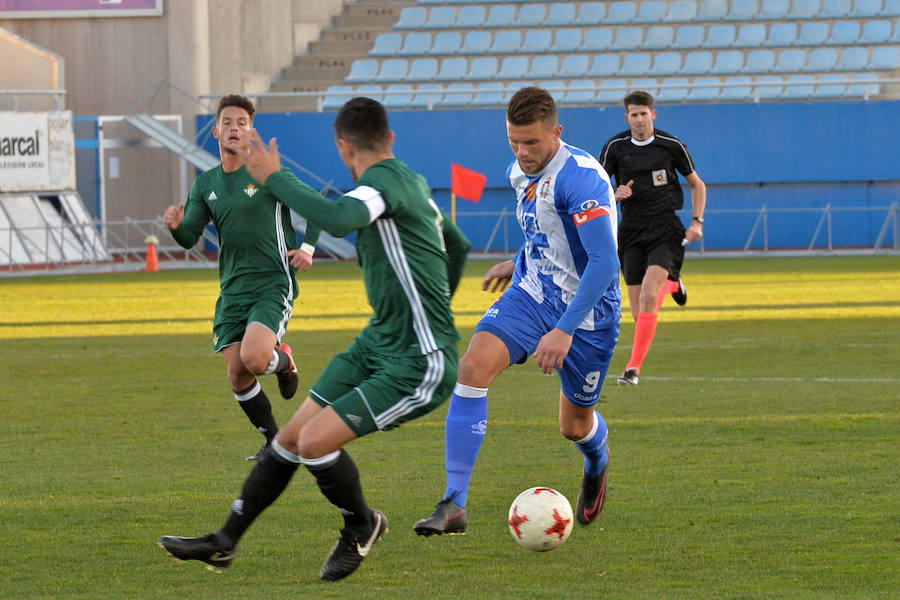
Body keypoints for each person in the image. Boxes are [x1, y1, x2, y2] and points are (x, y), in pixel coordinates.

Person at [159, 97, 471, 582]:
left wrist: (273, 177)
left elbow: (341, 219)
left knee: (314, 443)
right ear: (389, 137)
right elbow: (458, 244)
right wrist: (436, 310)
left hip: (417, 359)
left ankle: (362, 525)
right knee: (288, 439)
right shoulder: (410, 183)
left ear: (343, 147)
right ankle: (224, 542)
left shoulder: (379, 187)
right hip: (378, 342)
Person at [414, 86, 621, 535]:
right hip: (534, 293)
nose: (523, 153)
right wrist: (519, 260)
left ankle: (597, 458)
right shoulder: (519, 172)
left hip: (588, 314)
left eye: (532, 143)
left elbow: (605, 263)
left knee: (573, 425)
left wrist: (565, 330)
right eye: (514, 142)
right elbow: (544, 232)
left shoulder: (581, 179)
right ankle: (454, 503)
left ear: (556, 133)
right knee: (471, 367)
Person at [163, 94, 320, 460]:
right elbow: (189, 238)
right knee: (238, 375)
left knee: (253, 358)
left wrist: (308, 249)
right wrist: (174, 227)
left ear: (252, 132)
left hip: (272, 283)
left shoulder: (269, 174)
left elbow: (315, 208)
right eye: (228, 123)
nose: (235, 129)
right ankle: (275, 442)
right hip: (233, 289)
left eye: (242, 124)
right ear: (216, 130)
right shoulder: (206, 185)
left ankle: (284, 360)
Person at [598, 90, 707, 387]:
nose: (639, 119)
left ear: (653, 114)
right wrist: (614, 194)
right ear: (627, 117)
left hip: (666, 229)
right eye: (634, 114)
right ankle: (673, 283)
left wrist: (697, 222)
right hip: (631, 232)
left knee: (648, 295)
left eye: (644, 113)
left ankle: (633, 369)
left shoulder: (671, 145)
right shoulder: (614, 147)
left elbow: (698, 185)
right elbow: (595, 189)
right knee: (639, 311)